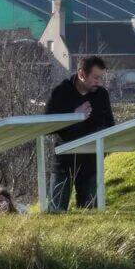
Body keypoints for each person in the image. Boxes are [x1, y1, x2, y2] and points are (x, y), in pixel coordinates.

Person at [45, 56, 115, 211]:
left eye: (100, 78)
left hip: (91, 162)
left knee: (91, 215)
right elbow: (46, 125)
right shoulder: (61, 91)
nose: (99, 82)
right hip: (63, 163)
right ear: (82, 74)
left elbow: (110, 125)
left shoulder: (101, 95)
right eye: (95, 78)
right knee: (56, 213)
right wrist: (73, 115)